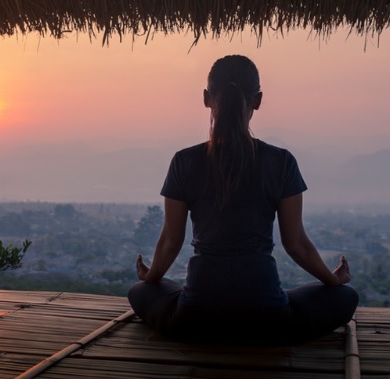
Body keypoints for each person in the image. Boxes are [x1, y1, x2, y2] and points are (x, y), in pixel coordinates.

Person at [127, 55, 358, 346]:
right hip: (269, 319)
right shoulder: (281, 162)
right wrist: (332, 280)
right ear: (258, 100)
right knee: (346, 297)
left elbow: (171, 242)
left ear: (206, 98)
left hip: (195, 318)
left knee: (139, 291)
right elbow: (296, 244)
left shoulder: (184, 161)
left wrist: (151, 277)